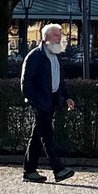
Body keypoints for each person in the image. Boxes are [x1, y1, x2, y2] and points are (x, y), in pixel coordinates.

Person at [19, 23, 77, 183]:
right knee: (47, 135)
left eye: (60, 35)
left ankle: (29, 171)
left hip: (51, 101)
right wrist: (36, 102)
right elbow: (26, 84)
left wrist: (67, 97)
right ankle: (58, 170)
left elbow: (60, 80)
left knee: (37, 137)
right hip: (41, 102)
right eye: (57, 35)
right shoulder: (34, 56)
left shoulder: (56, 55)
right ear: (46, 38)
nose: (60, 38)